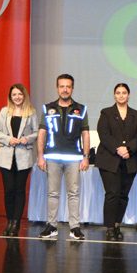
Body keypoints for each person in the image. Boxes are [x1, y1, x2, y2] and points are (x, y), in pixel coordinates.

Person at [36, 74, 90, 241]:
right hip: (52, 157)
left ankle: (75, 227)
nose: (65, 89)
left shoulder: (81, 109)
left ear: (72, 88)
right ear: (57, 88)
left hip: (74, 158)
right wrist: (40, 156)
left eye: (68, 86)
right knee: (52, 193)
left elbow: (86, 134)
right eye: (62, 86)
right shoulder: (47, 108)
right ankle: (51, 226)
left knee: (73, 193)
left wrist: (86, 157)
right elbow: (42, 133)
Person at [96, 83, 137, 241]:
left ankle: (117, 225)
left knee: (123, 195)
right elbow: (104, 134)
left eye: (124, 92)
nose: (121, 95)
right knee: (112, 194)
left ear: (128, 95)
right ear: (114, 95)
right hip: (109, 159)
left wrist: (128, 149)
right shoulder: (106, 113)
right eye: (118, 92)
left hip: (130, 160)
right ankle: (109, 228)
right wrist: (118, 148)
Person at [0, 83, 38, 237]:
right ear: (10, 97)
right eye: (14, 95)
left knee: (19, 190)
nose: (17, 97)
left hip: (23, 157)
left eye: (20, 94)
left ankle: (16, 223)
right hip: (6, 158)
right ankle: (9, 221)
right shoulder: (4, 111)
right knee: (9, 190)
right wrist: (8, 139)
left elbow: (36, 132)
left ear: (24, 96)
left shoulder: (31, 112)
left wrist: (27, 139)